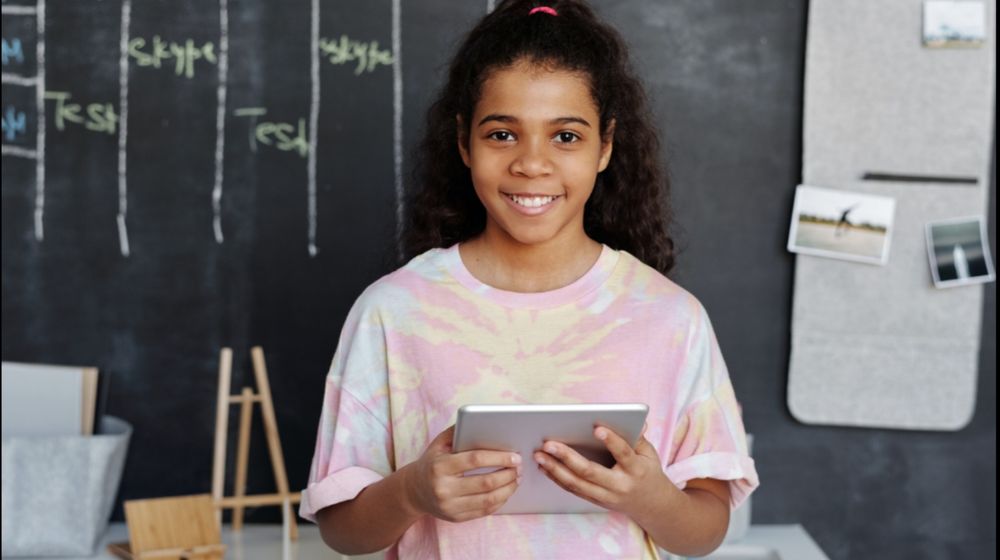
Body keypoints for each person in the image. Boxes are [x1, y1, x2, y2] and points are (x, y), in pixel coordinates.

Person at [299, 1, 759, 557]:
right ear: (464, 142)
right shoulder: (394, 311)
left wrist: (652, 498)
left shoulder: (669, 317)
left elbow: (705, 531)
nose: (531, 164)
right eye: (502, 135)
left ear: (605, 146)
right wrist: (413, 491)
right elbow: (342, 531)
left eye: (565, 137)